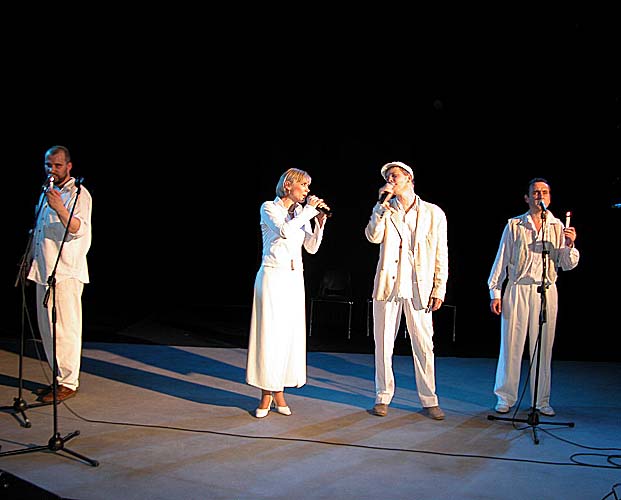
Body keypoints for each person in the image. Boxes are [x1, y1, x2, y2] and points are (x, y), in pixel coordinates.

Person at [365, 161, 448, 420]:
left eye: (395, 176)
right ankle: (382, 396)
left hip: (419, 287)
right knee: (383, 345)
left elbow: (441, 252)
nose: (391, 180)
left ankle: (429, 399)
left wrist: (439, 287)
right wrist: (380, 208)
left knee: (424, 345)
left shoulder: (433, 212)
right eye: (388, 177)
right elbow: (372, 236)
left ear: (409, 178)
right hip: (389, 285)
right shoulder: (385, 209)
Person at [488, 177, 579, 417]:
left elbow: (566, 264)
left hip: (546, 289)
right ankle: (505, 397)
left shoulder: (557, 226)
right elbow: (502, 258)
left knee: (543, 347)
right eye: (536, 192)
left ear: (550, 197)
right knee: (511, 346)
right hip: (518, 288)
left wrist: (569, 245)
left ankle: (541, 400)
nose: (540, 196)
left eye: (544, 192)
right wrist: (495, 292)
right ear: (527, 198)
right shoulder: (515, 225)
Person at [246, 168, 329, 418]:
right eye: (303, 185)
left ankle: (279, 392)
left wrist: (319, 223)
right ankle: (266, 394)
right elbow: (283, 230)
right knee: (269, 336)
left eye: (308, 186)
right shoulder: (269, 207)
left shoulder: (299, 213)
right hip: (273, 276)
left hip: (294, 278)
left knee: (288, 337)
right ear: (288, 186)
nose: (307, 190)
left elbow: (311, 248)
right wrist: (308, 211)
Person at [27, 145, 93, 403]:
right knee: (48, 330)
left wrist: (59, 208)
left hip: (65, 272)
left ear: (68, 166)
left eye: (57, 165)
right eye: (48, 165)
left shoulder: (78, 194)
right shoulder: (47, 191)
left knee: (65, 330)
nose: (52, 170)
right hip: (44, 269)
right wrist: (30, 260)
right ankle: (58, 378)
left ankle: (68, 382)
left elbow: (78, 229)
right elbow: (40, 229)